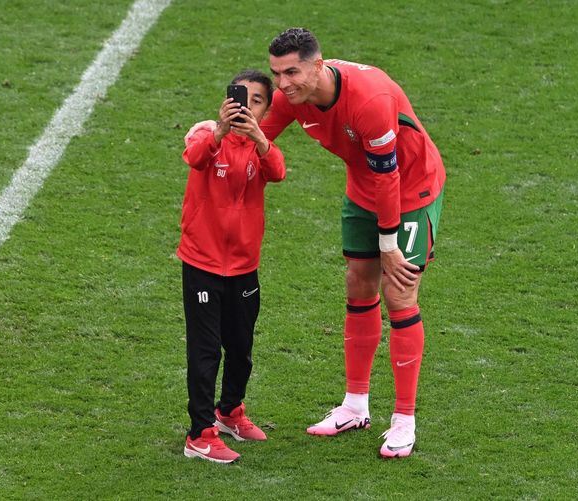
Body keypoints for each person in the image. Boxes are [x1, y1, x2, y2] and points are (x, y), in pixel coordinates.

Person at [261, 28, 446, 458]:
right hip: (364, 189)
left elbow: (390, 175)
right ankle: (355, 405)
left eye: (292, 72)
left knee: (399, 290)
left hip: (411, 190)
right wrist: (214, 136)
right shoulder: (292, 97)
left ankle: (404, 420)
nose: (284, 85)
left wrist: (389, 242)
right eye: (276, 74)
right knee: (358, 284)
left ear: (319, 65)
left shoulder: (370, 100)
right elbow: (259, 137)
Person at [178, 69, 286, 464]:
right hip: (203, 263)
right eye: (244, 98)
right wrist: (221, 130)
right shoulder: (206, 132)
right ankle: (200, 434)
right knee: (206, 351)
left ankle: (230, 412)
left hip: (243, 265)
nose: (248, 106)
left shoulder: (263, 146)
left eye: (258, 101)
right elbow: (194, 158)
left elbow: (278, 172)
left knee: (240, 347)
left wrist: (259, 137)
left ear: (266, 109)